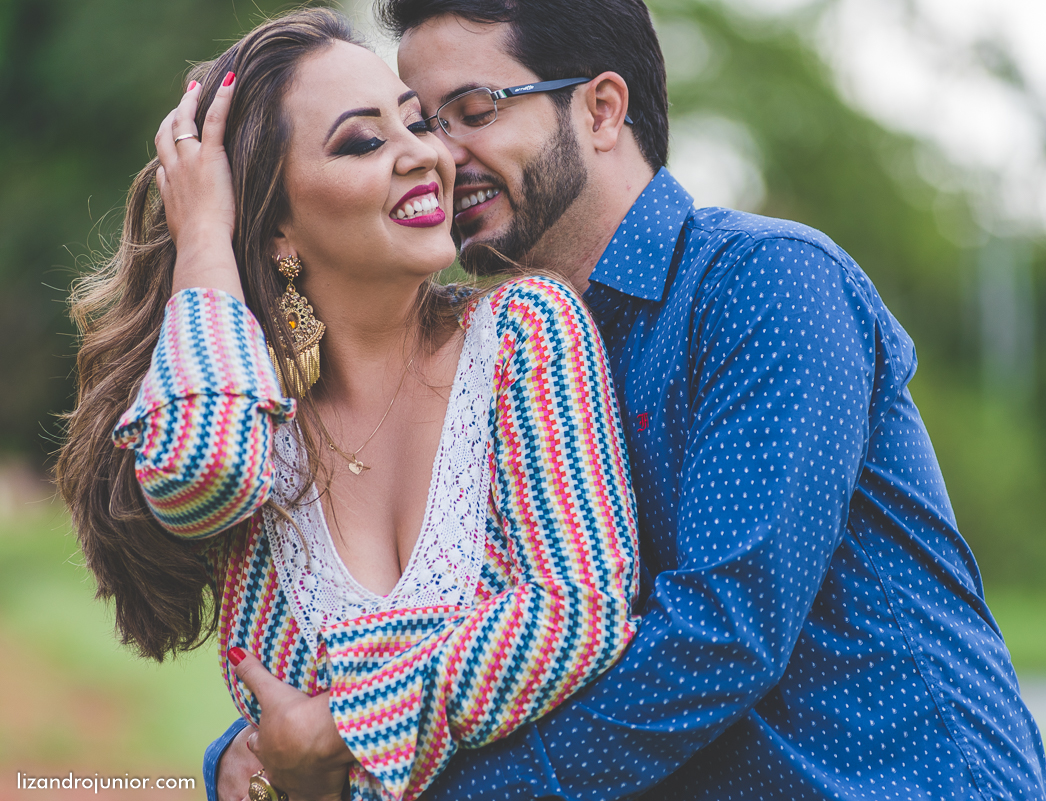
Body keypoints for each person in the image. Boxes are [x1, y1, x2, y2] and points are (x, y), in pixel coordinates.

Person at [206, 1, 1046, 800]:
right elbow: (451, 640)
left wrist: (388, 774)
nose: (435, 154)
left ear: (603, 110)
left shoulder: (766, 286)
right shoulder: (494, 363)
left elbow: (722, 633)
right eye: (425, 120)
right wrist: (259, 746)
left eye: (474, 109)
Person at [54, 8, 644, 801]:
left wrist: (339, 724)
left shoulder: (524, 330)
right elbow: (204, 471)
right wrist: (203, 241)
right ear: (278, 231)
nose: (425, 155)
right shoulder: (254, 419)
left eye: (415, 123)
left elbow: (575, 613)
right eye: (363, 142)